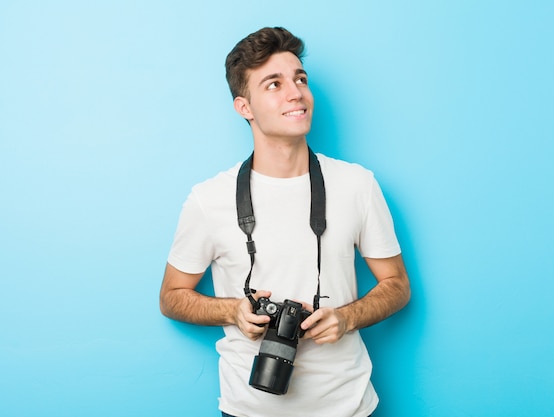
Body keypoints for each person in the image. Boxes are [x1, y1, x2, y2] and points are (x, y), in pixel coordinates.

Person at [160, 26, 410, 417]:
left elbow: (397, 285)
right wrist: (233, 311)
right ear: (245, 107)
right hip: (249, 407)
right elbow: (171, 297)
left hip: (348, 406)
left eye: (300, 79)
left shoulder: (357, 184)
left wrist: (346, 318)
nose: (296, 93)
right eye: (273, 84)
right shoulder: (208, 200)